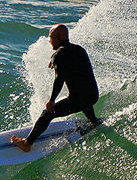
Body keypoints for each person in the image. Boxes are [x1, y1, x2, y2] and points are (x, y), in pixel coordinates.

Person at [11, 24, 100, 152]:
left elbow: (59, 80)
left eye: (51, 37)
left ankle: (27, 143)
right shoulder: (79, 49)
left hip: (79, 100)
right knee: (81, 94)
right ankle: (94, 121)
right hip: (93, 96)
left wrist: (52, 100)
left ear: (57, 38)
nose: (50, 41)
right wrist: (55, 59)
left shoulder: (59, 55)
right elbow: (73, 64)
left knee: (47, 114)